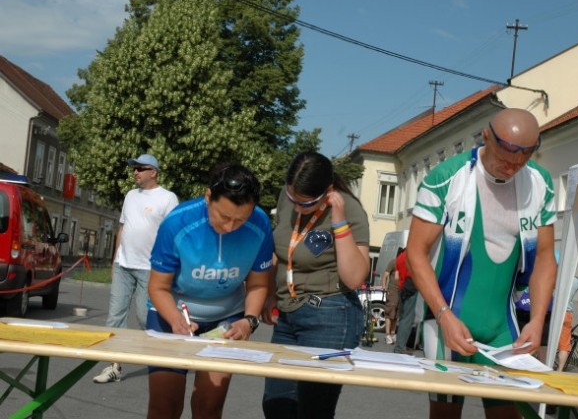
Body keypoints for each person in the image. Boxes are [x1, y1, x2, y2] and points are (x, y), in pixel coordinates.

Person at [406, 108, 557, 419]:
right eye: (504, 158)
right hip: (447, 320)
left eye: (522, 161)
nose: (512, 168)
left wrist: (538, 320)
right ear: (486, 137)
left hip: (502, 326)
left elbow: (544, 257)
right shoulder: (447, 177)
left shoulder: (539, 182)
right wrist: (444, 314)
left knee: (507, 413)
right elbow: (415, 253)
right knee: (445, 412)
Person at [145, 164, 274, 419]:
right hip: (172, 312)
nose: (230, 227)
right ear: (208, 197)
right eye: (223, 217)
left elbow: (258, 284)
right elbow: (158, 287)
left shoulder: (260, 224)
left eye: (240, 220)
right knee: (164, 408)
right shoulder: (177, 222)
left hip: (226, 318)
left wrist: (249, 320)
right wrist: (175, 320)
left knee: (209, 408)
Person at [261, 151, 370, 419]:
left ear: (328, 191)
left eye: (307, 203)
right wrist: (269, 294)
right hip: (288, 315)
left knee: (312, 410)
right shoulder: (289, 199)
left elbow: (355, 277)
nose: (297, 207)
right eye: (292, 199)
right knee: (277, 405)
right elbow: (281, 252)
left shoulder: (350, 209)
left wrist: (340, 221)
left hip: (330, 314)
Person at [93, 153, 179, 384]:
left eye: (140, 169)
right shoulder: (130, 196)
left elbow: (173, 236)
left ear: (154, 172)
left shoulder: (168, 198)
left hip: (150, 269)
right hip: (124, 264)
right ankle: (114, 366)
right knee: (115, 317)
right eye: (134, 168)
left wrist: (169, 268)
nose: (135, 173)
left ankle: (167, 357)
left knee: (145, 316)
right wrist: (114, 260)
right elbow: (123, 228)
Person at [394, 249, 419, 354]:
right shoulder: (413, 254)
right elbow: (414, 272)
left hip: (401, 287)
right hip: (411, 286)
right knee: (407, 319)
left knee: (403, 317)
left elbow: (396, 276)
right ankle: (400, 347)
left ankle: (400, 345)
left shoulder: (400, 257)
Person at [556, 275, 578, 372]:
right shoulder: (576, 280)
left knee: (545, 341)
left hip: (555, 311)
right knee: (564, 345)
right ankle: (560, 369)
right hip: (567, 312)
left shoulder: (558, 275)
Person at [381, 250, 401, 344]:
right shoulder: (394, 262)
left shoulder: (406, 264)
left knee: (396, 314)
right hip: (392, 290)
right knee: (389, 312)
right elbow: (385, 275)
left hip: (401, 291)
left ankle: (393, 334)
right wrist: (384, 286)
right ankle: (387, 335)